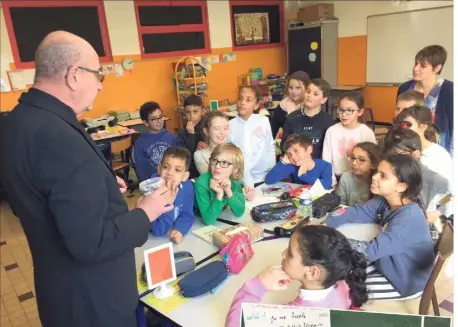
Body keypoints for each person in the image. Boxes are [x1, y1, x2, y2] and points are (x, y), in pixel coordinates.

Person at [0, 31, 174, 327]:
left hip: (58, 290)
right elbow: (91, 243)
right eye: (98, 75)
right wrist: (145, 212)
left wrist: (101, 188)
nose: (99, 84)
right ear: (73, 75)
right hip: (94, 302)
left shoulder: (16, 122)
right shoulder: (59, 137)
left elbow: (36, 198)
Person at [325, 154, 435, 300]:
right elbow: (357, 212)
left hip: (403, 281)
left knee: (344, 291)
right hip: (386, 261)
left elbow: (369, 251)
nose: (374, 177)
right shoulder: (386, 202)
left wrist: (329, 239)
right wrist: (326, 222)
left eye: (383, 176)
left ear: (401, 186)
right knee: (338, 273)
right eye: (377, 172)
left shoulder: (407, 220)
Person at [225, 224, 368, 327]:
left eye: (290, 253)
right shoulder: (344, 282)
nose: (283, 254)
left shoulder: (291, 316)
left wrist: (257, 286)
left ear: (312, 272)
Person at [383, 127, 451, 234]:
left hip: (415, 230)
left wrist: (437, 211)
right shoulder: (387, 172)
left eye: (399, 156)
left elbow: (449, 197)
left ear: (416, 154)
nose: (393, 162)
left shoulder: (433, 179)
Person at [397, 45, 453, 154]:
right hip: (407, 146)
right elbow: (398, 118)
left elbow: (454, 127)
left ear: (437, 68)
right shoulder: (405, 88)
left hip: (437, 149)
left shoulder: (449, 90)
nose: (415, 68)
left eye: (422, 66)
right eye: (415, 63)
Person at [322, 92, 376, 184]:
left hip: (360, 180)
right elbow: (326, 160)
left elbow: (372, 160)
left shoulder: (367, 132)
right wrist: (333, 182)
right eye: (341, 110)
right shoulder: (332, 131)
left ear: (360, 112)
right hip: (337, 178)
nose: (344, 114)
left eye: (349, 110)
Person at [228, 86, 276, 188]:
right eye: (240, 98)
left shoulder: (263, 121)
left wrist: (272, 168)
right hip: (240, 177)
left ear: (256, 105)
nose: (243, 102)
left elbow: (270, 146)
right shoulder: (230, 125)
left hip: (262, 176)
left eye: (248, 100)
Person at [397, 105, 452, 183]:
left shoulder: (439, 155)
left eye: (408, 125)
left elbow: (443, 188)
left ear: (423, 126)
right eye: (401, 125)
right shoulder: (397, 148)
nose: (403, 128)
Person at [281, 78, 335, 159]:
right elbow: (284, 145)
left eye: (315, 94)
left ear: (324, 100)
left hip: (317, 165)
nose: (309, 95)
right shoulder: (291, 118)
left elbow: (329, 150)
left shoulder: (328, 121)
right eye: (308, 91)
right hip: (295, 162)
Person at [151, 147, 194, 244]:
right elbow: (158, 230)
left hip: (168, 239)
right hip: (153, 241)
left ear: (185, 176)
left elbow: (187, 214)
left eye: (177, 170)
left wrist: (180, 229)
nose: (170, 173)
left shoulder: (187, 188)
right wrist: (168, 201)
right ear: (159, 169)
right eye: (165, 167)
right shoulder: (152, 190)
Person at [194, 143, 245, 225]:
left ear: (235, 169)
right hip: (196, 221)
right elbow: (208, 221)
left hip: (221, 218)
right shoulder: (201, 183)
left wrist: (228, 191)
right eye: (214, 160)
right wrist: (219, 194)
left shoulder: (235, 181)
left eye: (224, 163)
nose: (217, 166)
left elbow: (240, 212)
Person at [265, 134, 332, 189]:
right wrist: (283, 162)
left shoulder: (325, 166)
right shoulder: (292, 167)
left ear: (309, 149)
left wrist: (303, 176)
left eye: (296, 151)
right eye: (289, 154)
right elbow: (269, 180)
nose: (293, 157)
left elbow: (326, 185)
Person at [134, 101, 177, 181]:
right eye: (154, 119)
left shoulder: (172, 138)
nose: (159, 121)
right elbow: (141, 169)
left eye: (160, 117)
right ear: (146, 123)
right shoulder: (140, 143)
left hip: (171, 179)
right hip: (153, 182)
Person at [337, 142, 381, 206]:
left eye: (361, 159)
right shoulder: (345, 177)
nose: (354, 163)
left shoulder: (378, 182)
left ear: (373, 165)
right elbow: (340, 204)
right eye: (353, 158)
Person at [270, 71, 310, 139]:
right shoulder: (282, 107)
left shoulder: (311, 106)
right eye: (291, 88)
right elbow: (272, 132)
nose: (293, 92)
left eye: (298, 88)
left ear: (306, 88)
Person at [177, 95, 205, 178]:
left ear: (202, 111)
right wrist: (191, 134)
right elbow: (187, 156)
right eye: (188, 112)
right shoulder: (182, 133)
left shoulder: (207, 129)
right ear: (184, 113)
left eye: (195, 111)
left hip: (206, 171)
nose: (192, 116)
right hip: (191, 173)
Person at [194, 111, 229, 175]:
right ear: (206, 131)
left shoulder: (234, 151)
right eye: (216, 129)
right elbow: (211, 178)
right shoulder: (200, 155)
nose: (222, 132)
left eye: (225, 128)